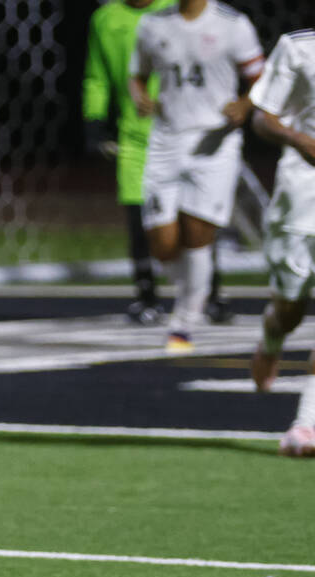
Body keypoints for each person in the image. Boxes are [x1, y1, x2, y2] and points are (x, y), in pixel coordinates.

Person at [129, 0, 263, 353]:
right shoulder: (152, 25)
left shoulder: (233, 25)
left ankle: (185, 322)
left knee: (198, 236)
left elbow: (261, 79)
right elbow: (137, 75)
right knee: (163, 244)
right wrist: (140, 97)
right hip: (166, 142)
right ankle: (194, 293)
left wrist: (245, 105)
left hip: (215, 144)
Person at [84, 0, 177, 324]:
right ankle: (147, 297)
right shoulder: (105, 18)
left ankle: (211, 294)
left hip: (181, 133)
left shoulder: (177, 8)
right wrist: (94, 121)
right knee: (138, 221)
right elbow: (97, 76)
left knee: (193, 220)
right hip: (134, 137)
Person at [246, 28, 315, 456]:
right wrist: (298, 138)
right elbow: (261, 116)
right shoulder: (299, 47)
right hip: (301, 202)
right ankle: (271, 338)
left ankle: (307, 422)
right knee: (289, 310)